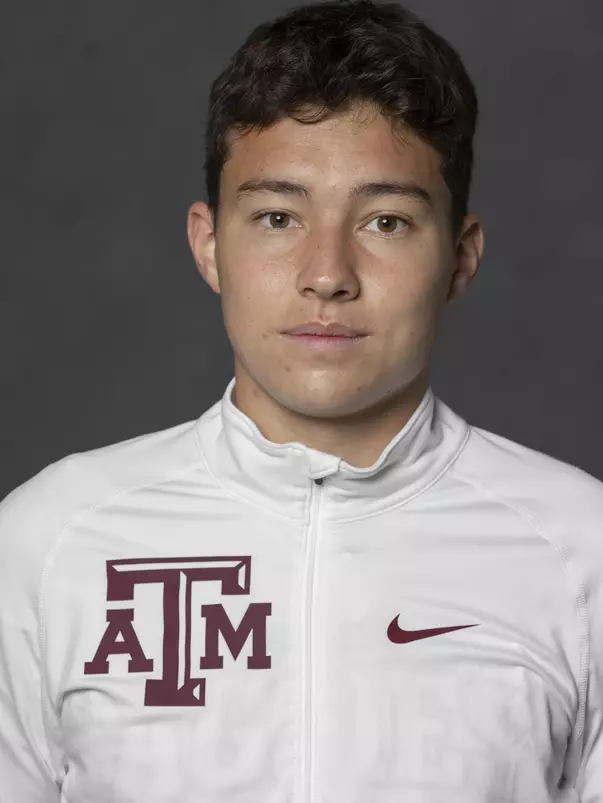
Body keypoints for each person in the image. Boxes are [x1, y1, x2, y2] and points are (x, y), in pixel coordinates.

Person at [1, 0, 602, 800]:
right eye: (278, 216)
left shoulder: (579, 550)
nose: (327, 273)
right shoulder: (48, 541)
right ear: (209, 244)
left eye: (385, 221)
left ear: (459, 257)